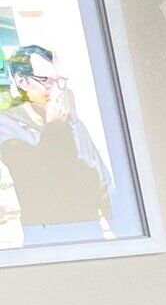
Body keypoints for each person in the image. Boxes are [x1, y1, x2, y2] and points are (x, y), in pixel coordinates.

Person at [0, 44, 113, 242]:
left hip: (88, 227)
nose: (56, 90)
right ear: (22, 81)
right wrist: (54, 129)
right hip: (46, 234)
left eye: (59, 81)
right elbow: (35, 175)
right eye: (46, 81)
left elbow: (100, 177)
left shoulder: (70, 120)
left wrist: (121, 225)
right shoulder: (7, 126)